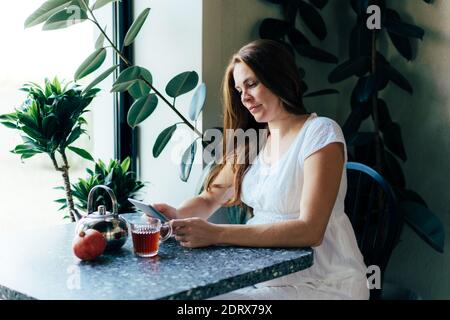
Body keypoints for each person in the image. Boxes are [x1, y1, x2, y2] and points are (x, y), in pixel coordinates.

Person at [153, 39, 369, 300]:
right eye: (238, 89)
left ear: (279, 78)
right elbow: (210, 197)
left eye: (251, 84)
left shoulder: (320, 133)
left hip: (322, 281)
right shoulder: (253, 142)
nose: (244, 97)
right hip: (263, 275)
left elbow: (310, 230)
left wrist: (217, 233)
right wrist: (176, 215)